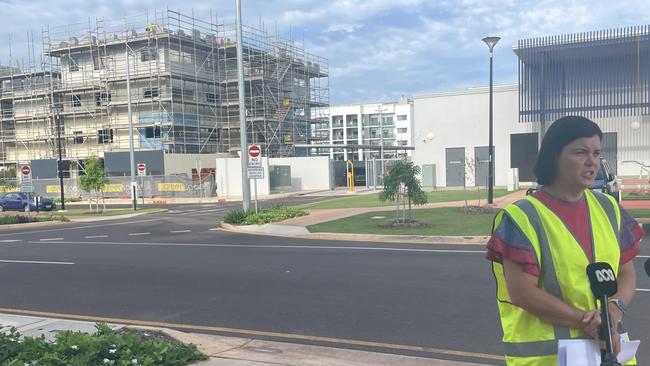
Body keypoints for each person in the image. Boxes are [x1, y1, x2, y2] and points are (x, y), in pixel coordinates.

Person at [487, 116, 643, 365]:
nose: (592, 161)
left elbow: (626, 274)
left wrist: (613, 312)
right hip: (548, 359)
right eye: (581, 152)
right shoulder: (522, 217)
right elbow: (522, 292)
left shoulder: (610, 208)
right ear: (554, 157)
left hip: (612, 355)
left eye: (596, 153)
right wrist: (588, 322)